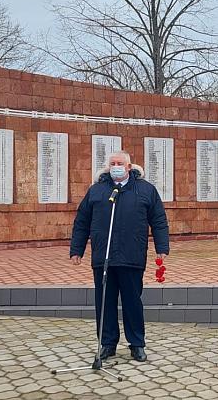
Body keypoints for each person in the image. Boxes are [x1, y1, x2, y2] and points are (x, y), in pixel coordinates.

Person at [70, 151, 169, 362]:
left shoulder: (145, 190)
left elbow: (159, 220)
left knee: (132, 302)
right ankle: (107, 343)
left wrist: (162, 247)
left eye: (120, 163)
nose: (116, 166)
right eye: (113, 163)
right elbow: (82, 221)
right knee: (104, 302)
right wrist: (77, 249)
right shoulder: (97, 190)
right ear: (108, 167)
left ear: (129, 167)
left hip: (132, 255)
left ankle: (137, 344)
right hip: (103, 257)